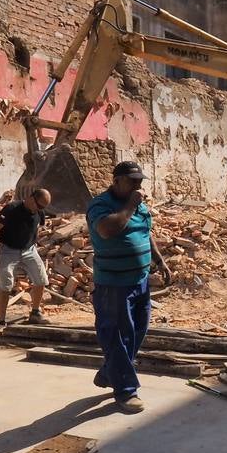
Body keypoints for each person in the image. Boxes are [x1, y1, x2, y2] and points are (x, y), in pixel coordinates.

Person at [85, 161, 171, 413]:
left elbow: (146, 232)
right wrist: (131, 205)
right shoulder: (100, 205)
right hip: (113, 285)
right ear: (117, 181)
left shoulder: (138, 206)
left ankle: (109, 371)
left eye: (140, 182)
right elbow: (107, 230)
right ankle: (125, 391)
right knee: (117, 336)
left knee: (137, 332)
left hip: (140, 280)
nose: (138, 186)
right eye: (132, 181)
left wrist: (160, 260)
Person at [0, 188, 52, 326]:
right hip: (8, 250)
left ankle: (35, 313)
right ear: (31, 198)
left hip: (29, 250)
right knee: (5, 284)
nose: (40, 209)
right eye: (39, 205)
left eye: (43, 207)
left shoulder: (39, 212)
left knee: (41, 279)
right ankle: (1, 321)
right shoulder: (11, 209)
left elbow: (37, 228)